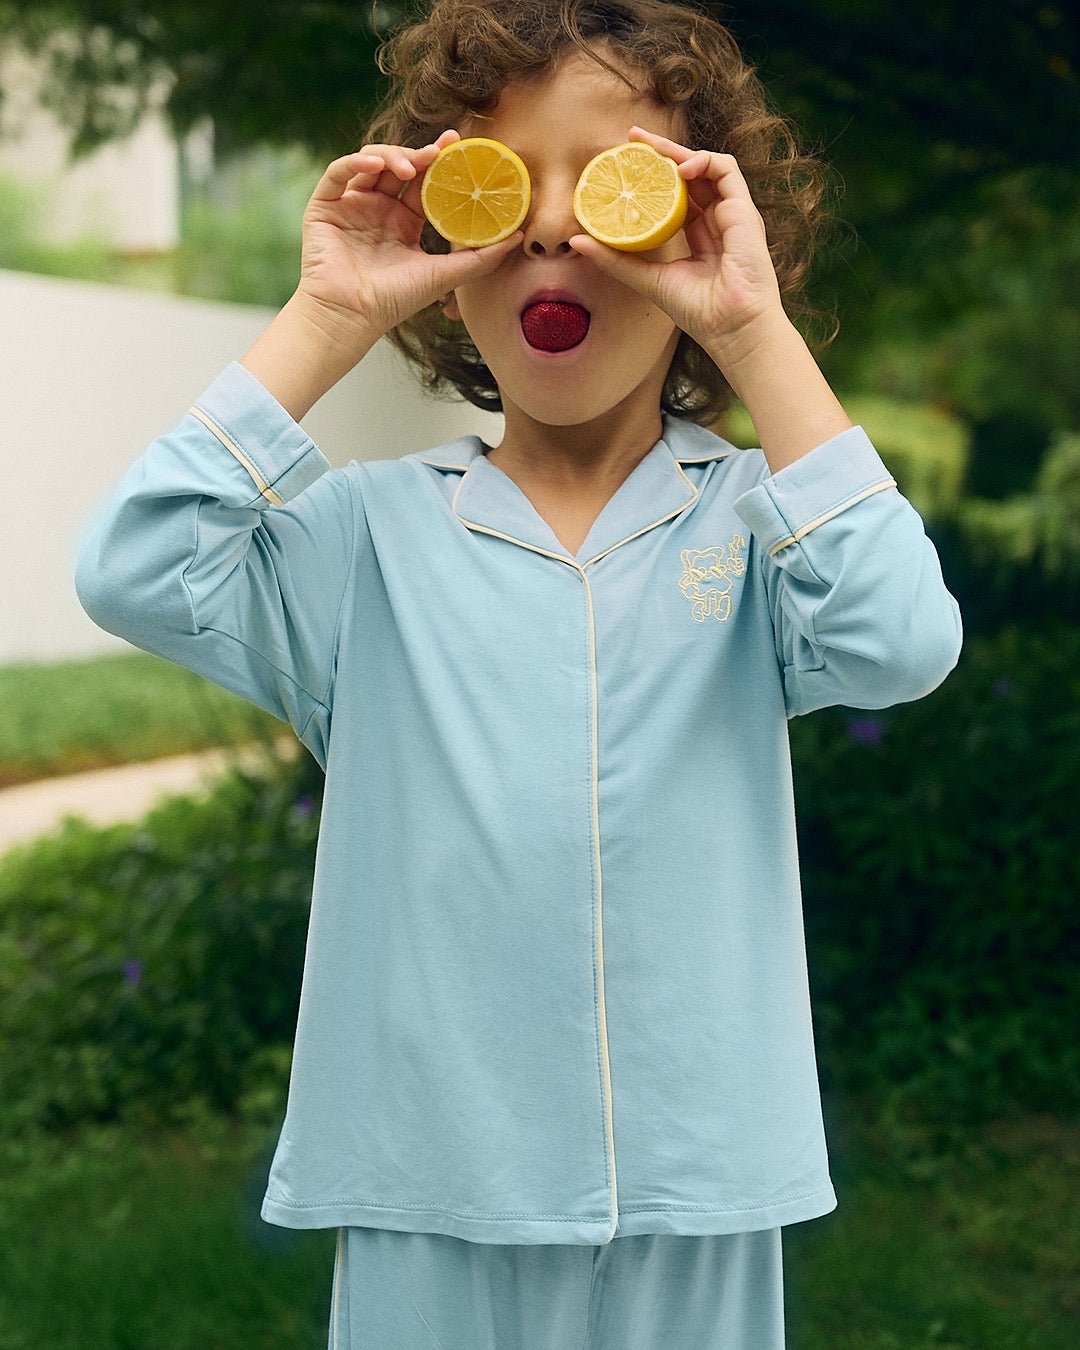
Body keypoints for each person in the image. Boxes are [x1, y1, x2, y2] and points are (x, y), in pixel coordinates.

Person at [75, 1, 963, 1346]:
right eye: (501, 187)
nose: (551, 226)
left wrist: (754, 330)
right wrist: (326, 317)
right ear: (444, 236)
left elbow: (903, 638)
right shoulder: (365, 542)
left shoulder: (754, 525)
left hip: (698, 1189)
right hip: (425, 1187)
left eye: (610, 186)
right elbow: (135, 566)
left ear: (696, 227)